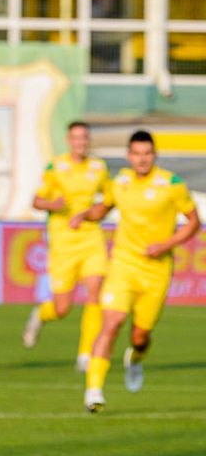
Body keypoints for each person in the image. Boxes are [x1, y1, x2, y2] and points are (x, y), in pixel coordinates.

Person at [81, 130, 200, 413]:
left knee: (140, 336)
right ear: (129, 155)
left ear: (154, 155)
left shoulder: (172, 184)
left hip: (156, 272)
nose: (142, 159)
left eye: (147, 154)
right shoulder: (119, 181)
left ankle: (134, 359)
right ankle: (93, 391)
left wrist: (167, 244)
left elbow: (194, 222)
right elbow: (103, 207)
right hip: (123, 264)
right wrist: (83, 214)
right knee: (110, 323)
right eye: (137, 154)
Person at [22, 122, 110, 371]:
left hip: (92, 238)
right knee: (62, 308)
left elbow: (108, 199)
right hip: (63, 243)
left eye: (84, 137)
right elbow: (37, 201)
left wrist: (96, 211)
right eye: (76, 138)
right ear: (68, 140)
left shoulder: (99, 167)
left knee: (95, 292)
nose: (81, 142)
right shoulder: (55, 167)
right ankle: (40, 315)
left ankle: (86, 355)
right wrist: (54, 205)